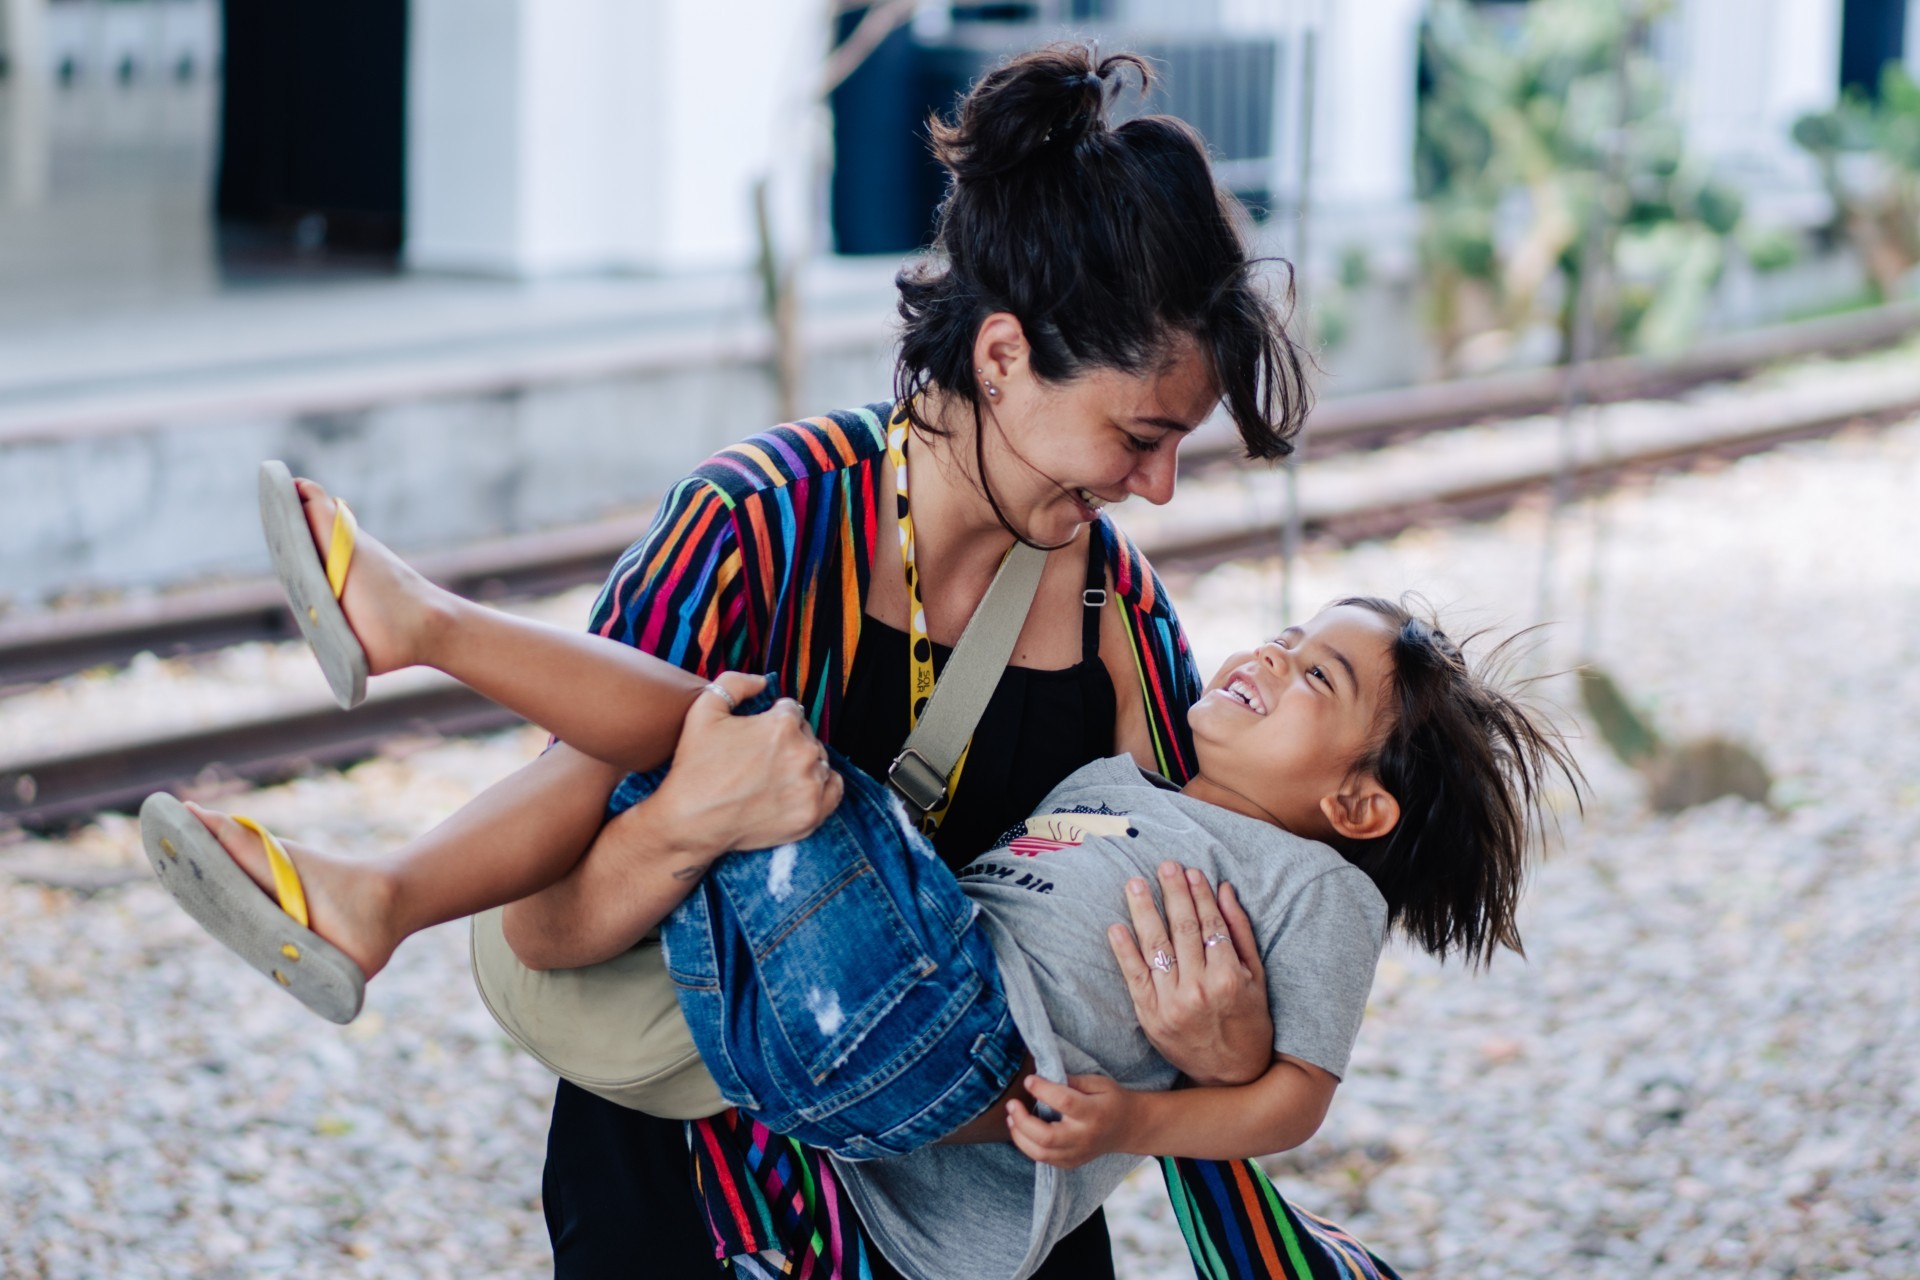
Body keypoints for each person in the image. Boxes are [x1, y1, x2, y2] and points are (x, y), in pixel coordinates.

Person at [191, 41, 1327, 1279]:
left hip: (971, 1224)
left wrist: (1227, 1041)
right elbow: (545, 930)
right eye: (1140, 435)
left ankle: (416, 663)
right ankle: (400, 773)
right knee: (727, 742)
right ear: (1002, 355)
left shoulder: (1122, 614)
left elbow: (1210, 939)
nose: (1155, 487)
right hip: (702, 1211)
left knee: (742, 739)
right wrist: (685, 823)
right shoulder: (759, 524)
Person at [147, 478, 1575, 1278]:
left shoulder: (1316, 890)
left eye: (1313, 674)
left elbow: (1295, 1102)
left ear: (1357, 800)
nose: (1260, 657)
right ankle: (375, 890)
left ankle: (420, 643)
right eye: (1281, 633)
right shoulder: (1142, 766)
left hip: (943, 1049)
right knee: (683, 757)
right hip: (830, 1053)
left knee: (754, 737)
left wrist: (1142, 1109)